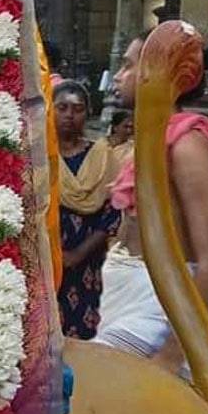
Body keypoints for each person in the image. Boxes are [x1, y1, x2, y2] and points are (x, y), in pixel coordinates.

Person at [97, 31, 208, 370]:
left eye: (129, 66)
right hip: (127, 297)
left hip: (159, 309)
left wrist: (173, 353)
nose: (118, 76)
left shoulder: (188, 145)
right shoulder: (153, 137)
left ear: (157, 74)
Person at [54, 79, 125, 339]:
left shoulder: (102, 155)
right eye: (62, 107)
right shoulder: (40, 156)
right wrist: (55, 253)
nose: (69, 116)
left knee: (83, 336)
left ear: (88, 113)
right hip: (47, 259)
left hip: (88, 263)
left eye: (78, 108)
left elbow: (112, 213)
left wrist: (77, 254)